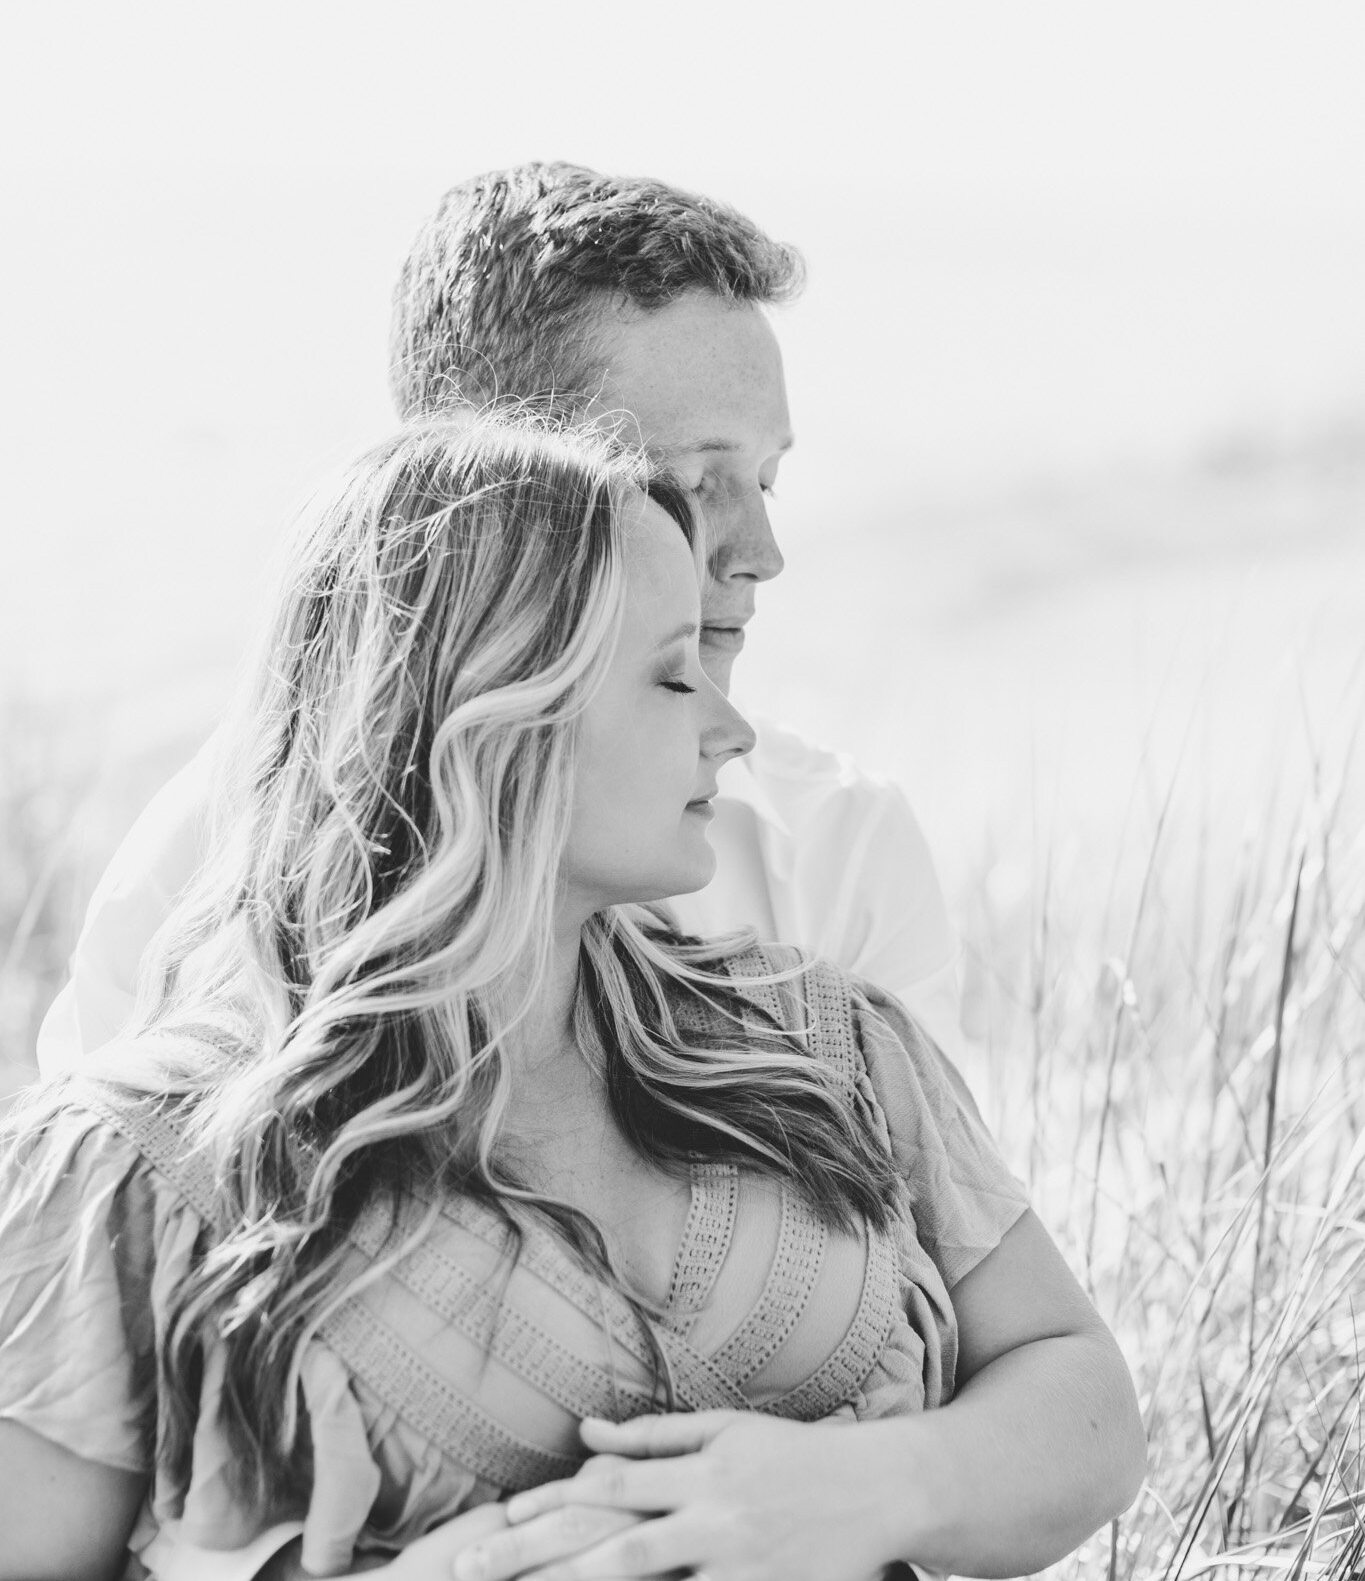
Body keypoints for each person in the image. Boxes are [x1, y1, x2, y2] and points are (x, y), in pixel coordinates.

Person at [0, 415, 1300, 1581]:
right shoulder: (164, 1157)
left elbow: (1085, 1405)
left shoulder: (817, 1046)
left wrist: (868, 1495)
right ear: (500, 718)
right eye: (674, 674)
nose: (732, 732)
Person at [36, 163, 965, 1084]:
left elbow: (933, 1221)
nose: (760, 550)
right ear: (478, 485)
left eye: (766, 480)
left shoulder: (841, 847)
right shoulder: (205, 874)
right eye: (685, 483)